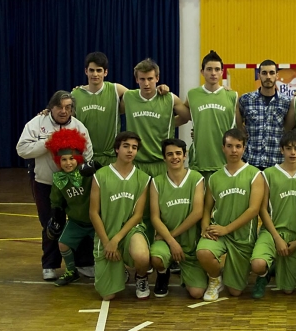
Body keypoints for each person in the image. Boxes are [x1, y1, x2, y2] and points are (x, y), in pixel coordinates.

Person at [238, 60, 296, 271]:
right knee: (250, 212)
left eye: (271, 73)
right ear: (259, 75)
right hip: (252, 165)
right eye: (264, 73)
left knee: (287, 212)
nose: (268, 76)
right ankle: (251, 251)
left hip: (276, 166)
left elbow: (289, 129)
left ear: (277, 75)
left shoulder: (287, 102)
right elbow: (237, 127)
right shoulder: (245, 100)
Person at [16, 90, 94, 281]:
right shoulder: (36, 123)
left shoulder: (79, 127)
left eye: (68, 107)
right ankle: (50, 265)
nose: (63, 111)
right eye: (59, 107)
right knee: (50, 223)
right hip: (45, 183)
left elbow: (88, 155)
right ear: (51, 107)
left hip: (73, 185)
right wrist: (47, 143)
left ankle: (84, 263)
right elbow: (22, 150)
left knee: (81, 221)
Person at [122, 58, 191, 242]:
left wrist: (169, 122)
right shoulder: (129, 97)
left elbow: (187, 116)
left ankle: (165, 247)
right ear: (136, 79)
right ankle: (141, 249)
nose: (146, 83)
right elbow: (110, 102)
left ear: (157, 78)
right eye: (142, 79)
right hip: (137, 164)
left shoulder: (168, 98)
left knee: (164, 211)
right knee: (139, 213)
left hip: (162, 164)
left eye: (150, 79)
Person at [196, 128, 265, 301]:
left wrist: (227, 228)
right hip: (218, 232)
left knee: (235, 291)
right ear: (223, 148)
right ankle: (215, 277)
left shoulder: (255, 174)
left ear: (244, 148)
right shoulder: (214, 178)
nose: (234, 150)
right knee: (203, 252)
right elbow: (206, 208)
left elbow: (253, 210)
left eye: (238, 146)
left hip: (242, 237)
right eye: (229, 146)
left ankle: (233, 271)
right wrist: (204, 227)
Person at [72, 52, 171, 167]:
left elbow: (141, 97)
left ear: (105, 72)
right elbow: (68, 121)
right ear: (86, 71)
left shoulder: (116, 89)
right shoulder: (75, 94)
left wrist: (158, 88)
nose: (95, 74)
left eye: (99, 70)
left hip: (111, 157)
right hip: (85, 156)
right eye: (91, 70)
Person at [89, 131, 151, 300]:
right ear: (117, 149)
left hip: (130, 230)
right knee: (107, 295)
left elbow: (138, 215)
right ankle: (119, 271)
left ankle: (141, 277)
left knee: (142, 256)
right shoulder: (100, 175)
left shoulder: (142, 178)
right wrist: (107, 242)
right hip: (106, 233)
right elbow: (93, 212)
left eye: (134, 147)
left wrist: (116, 240)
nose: (130, 150)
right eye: (126, 146)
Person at [250, 130, 296, 298]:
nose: (292, 152)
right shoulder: (268, 174)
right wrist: (276, 238)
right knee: (257, 264)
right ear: (281, 150)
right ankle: (263, 275)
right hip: (271, 232)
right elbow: (262, 209)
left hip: (294, 236)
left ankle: (275, 265)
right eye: (288, 148)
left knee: (288, 290)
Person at [149, 138, 206, 299]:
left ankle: (188, 271)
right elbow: (155, 217)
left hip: (189, 243)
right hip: (166, 241)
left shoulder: (196, 178)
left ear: (185, 155)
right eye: (170, 154)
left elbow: (197, 213)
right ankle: (163, 273)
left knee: (197, 293)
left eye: (178, 153)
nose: (175, 157)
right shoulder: (157, 182)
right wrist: (171, 242)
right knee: (157, 258)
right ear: (164, 158)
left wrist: (171, 237)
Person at [44, 128, 96, 287]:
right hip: (75, 221)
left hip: (96, 221)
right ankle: (71, 271)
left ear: (78, 158)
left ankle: (108, 271)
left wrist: (97, 168)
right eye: (64, 159)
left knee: (103, 246)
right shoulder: (58, 179)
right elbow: (56, 201)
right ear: (58, 161)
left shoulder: (87, 175)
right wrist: (55, 217)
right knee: (63, 243)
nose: (68, 163)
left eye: (72, 158)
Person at [186, 51, 242, 181]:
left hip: (225, 162)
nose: (213, 73)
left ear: (222, 72)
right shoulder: (192, 95)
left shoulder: (232, 96)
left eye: (217, 69)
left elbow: (239, 128)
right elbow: (184, 116)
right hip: (199, 161)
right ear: (202, 72)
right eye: (209, 69)